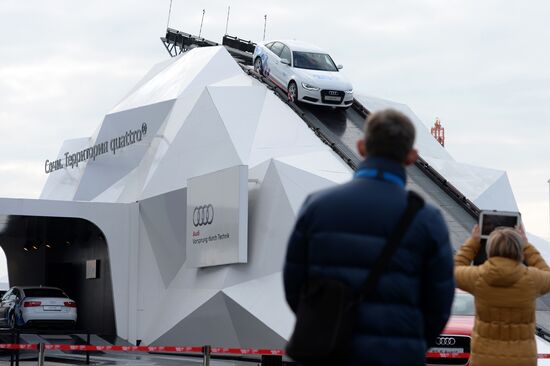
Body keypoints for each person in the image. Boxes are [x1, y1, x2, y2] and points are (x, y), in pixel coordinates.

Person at [283, 109, 455, 366]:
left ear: (362, 147)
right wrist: (409, 341)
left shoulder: (316, 206)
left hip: (328, 355)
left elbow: (294, 286)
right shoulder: (428, 220)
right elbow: (439, 305)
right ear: (411, 157)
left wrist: (327, 326)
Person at [455, 225, 550, 366]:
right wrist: (527, 245)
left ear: (489, 249)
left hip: (485, 360)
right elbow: (547, 274)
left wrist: (473, 242)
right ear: (519, 250)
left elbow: (454, 271)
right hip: (522, 360)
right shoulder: (531, 279)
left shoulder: (479, 277)